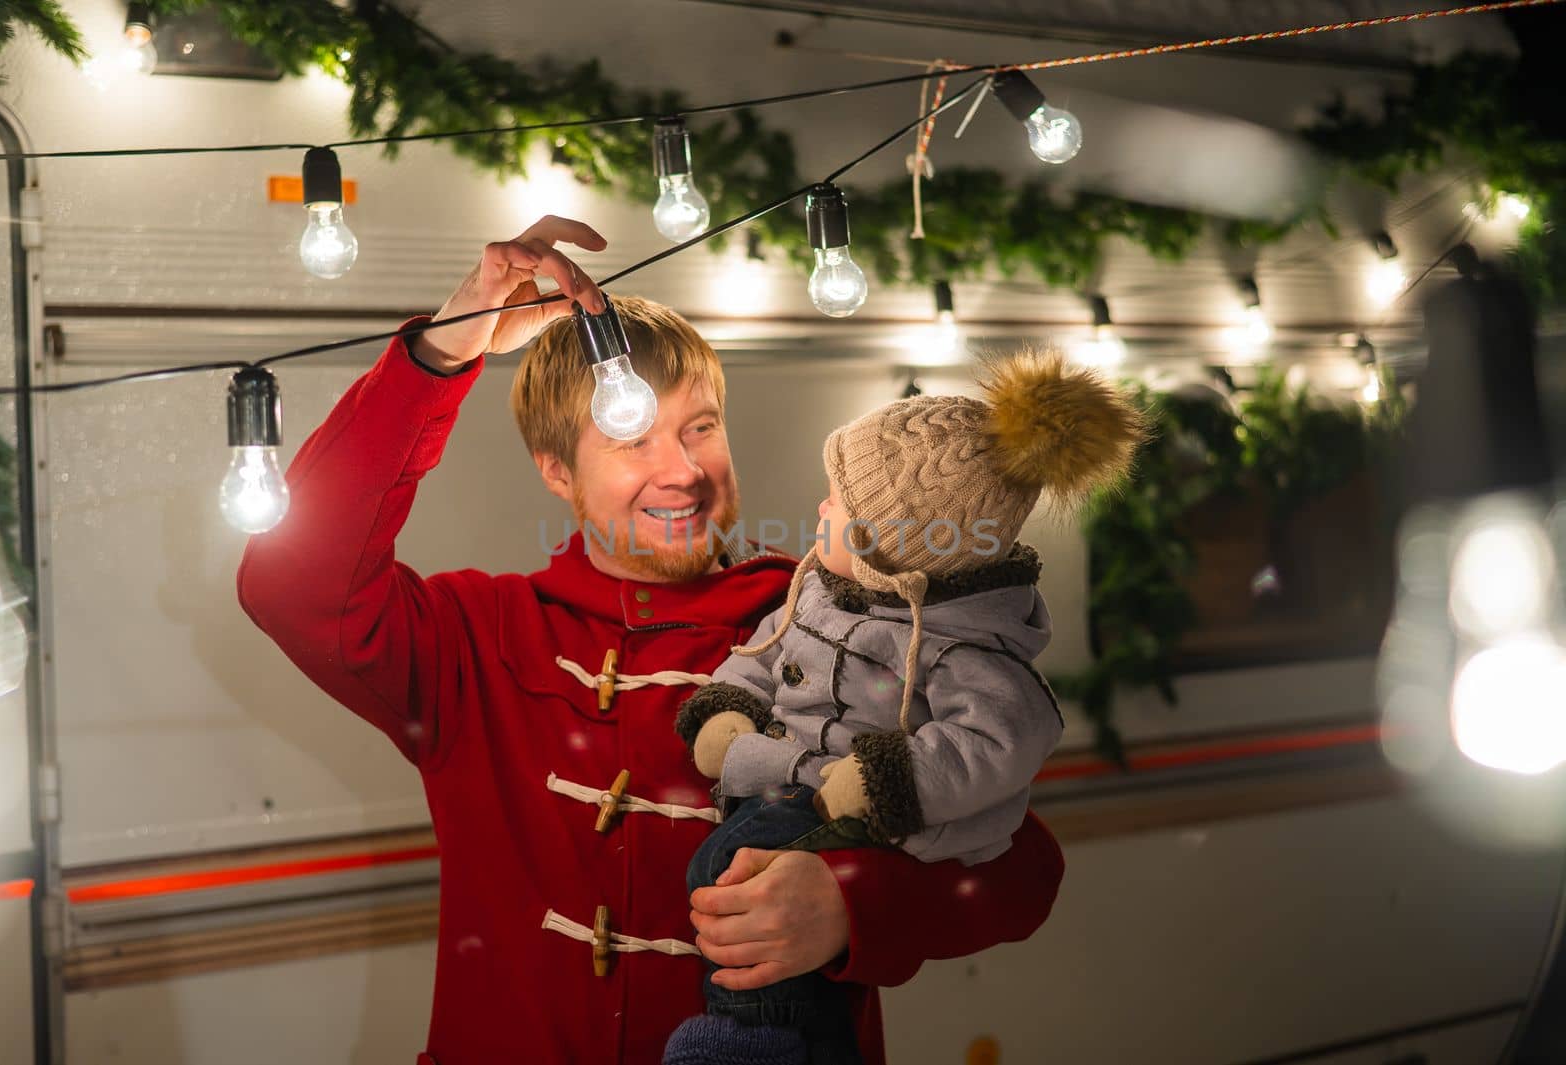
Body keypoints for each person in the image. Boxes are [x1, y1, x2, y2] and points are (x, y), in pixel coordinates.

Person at [237, 216, 1066, 1065]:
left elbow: (1023, 871)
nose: (682, 469)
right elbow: (287, 583)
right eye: (632, 436)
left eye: (700, 426)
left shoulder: (844, 620)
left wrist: (851, 900)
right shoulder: (474, 639)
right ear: (557, 469)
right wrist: (442, 353)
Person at [663, 354, 1144, 1064]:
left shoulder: (954, 642)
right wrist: (729, 704)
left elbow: (1005, 749)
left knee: (739, 867)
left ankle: (748, 1040)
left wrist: (885, 782)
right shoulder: (820, 588)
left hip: (841, 800)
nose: (820, 510)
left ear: (892, 553)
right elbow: (768, 649)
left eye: (838, 505)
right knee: (746, 878)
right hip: (789, 778)